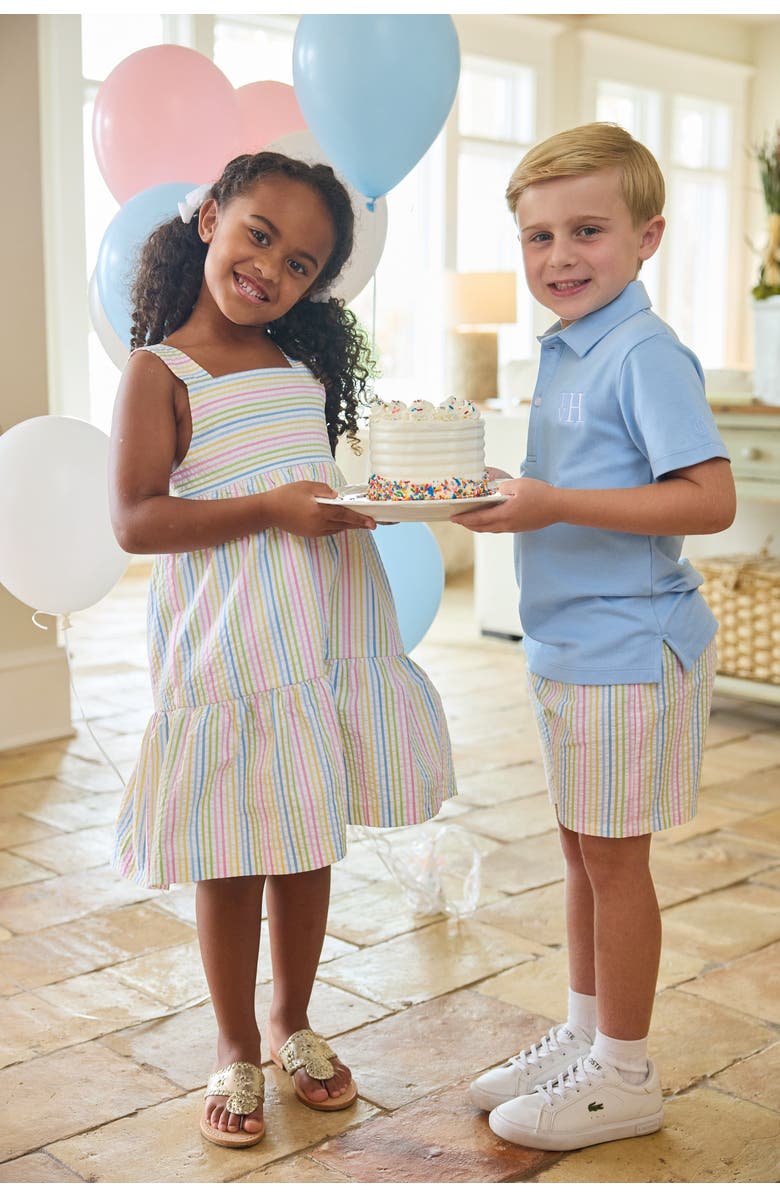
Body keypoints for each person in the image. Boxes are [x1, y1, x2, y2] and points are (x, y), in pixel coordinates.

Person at [108, 151, 455, 1149]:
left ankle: (292, 1017)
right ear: (212, 218)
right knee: (233, 849)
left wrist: (352, 510)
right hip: (230, 644)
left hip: (319, 631)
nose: (272, 268)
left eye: (302, 263)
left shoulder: (300, 372)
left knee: (305, 835)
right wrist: (269, 505)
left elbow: (310, 486)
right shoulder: (158, 370)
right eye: (259, 233)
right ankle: (233, 1042)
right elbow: (136, 519)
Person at [453, 123, 736, 1152]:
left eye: (587, 231)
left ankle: (624, 1070)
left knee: (615, 863)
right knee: (581, 855)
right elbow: (575, 492)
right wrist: (511, 499)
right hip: (571, 646)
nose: (560, 256)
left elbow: (708, 499)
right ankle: (585, 1033)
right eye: (538, 237)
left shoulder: (645, 351)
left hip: (626, 648)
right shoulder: (569, 347)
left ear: (648, 236)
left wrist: (548, 502)